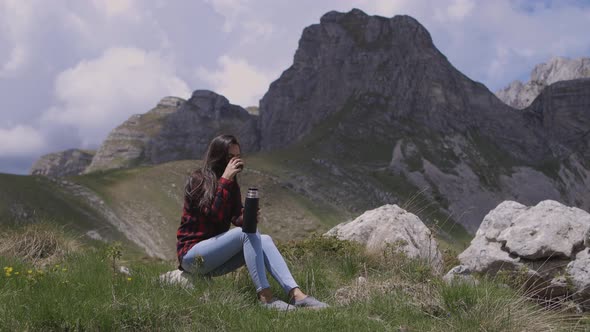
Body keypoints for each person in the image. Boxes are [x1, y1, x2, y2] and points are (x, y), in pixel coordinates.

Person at [176, 134, 329, 310]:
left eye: (238, 156)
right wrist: (225, 180)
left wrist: (247, 216)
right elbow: (212, 215)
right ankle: (266, 298)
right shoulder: (199, 179)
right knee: (247, 232)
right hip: (192, 256)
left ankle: (297, 295)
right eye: (230, 157)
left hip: (215, 259)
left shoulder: (231, 184)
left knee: (264, 239)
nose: (235, 161)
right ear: (218, 157)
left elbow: (235, 218)